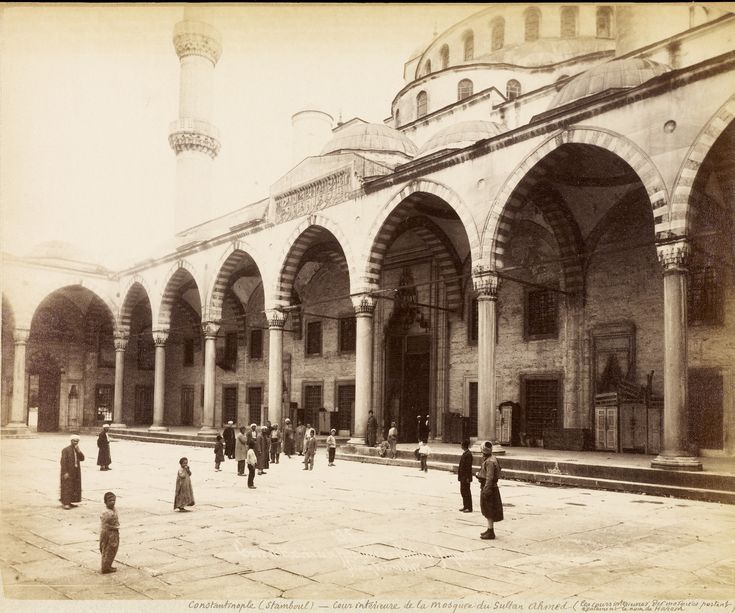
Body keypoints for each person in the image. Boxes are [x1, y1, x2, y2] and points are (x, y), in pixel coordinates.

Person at [477, 441, 503, 539]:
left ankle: (491, 531)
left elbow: (489, 477)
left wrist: (486, 490)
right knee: (488, 510)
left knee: (489, 510)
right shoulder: (492, 458)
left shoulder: (489, 462)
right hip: (491, 487)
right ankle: (489, 529)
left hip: (489, 487)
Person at [60, 435, 85, 509]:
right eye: (74, 441)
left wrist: (79, 451)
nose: (76, 442)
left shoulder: (77, 450)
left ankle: (70, 501)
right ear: (71, 441)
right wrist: (65, 472)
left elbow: (82, 458)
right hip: (68, 471)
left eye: (77, 441)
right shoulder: (66, 450)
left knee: (74, 486)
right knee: (67, 487)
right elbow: (63, 462)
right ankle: (65, 503)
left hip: (76, 471)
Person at [99, 491, 119, 574]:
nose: (112, 502)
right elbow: (105, 525)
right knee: (108, 549)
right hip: (109, 533)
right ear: (105, 502)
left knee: (112, 549)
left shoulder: (113, 509)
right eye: (110, 501)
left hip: (113, 532)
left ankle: (108, 565)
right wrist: (114, 528)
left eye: (114, 500)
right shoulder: (106, 513)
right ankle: (105, 567)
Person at [458, 439, 473, 513]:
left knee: (466, 492)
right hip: (462, 476)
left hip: (465, 476)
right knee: (463, 491)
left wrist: (467, 477)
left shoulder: (468, 454)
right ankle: (465, 506)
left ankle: (469, 507)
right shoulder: (465, 453)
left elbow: (468, 467)